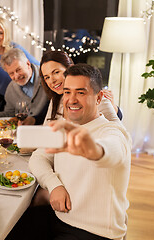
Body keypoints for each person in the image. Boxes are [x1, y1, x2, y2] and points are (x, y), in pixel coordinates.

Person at [28, 63, 132, 239]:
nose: (72, 99)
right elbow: (37, 158)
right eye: (67, 92)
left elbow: (112, 151)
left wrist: (94, 151)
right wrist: (54, 185)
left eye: (81, 92)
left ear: (99, 99)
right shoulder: (66, 127)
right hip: (60, 218)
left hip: (96, 232)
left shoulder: (113, 132)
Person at [39, 50, 123, 124]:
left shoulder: (93, 97)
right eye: (47, 77)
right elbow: (46, 130)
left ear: (70, 68)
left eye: (56, 72)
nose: (52, 81)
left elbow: (117, 130)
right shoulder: (55, 99)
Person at [0, 48, 49, 125]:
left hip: (46, 129)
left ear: (28, 64)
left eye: (18, 70)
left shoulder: (46, 77)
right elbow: (10, 114)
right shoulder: (11, 89)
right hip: (23, 132)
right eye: (11, 73)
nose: (16, 77)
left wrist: (35, 120)